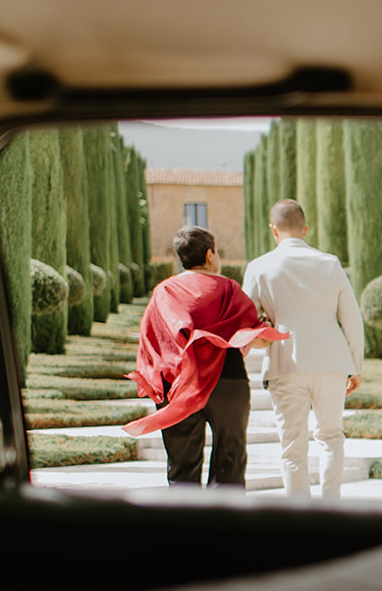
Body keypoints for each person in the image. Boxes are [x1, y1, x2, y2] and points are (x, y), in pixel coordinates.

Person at [125, 225, 283, 485]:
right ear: (210, 255)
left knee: (181, 467)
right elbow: (260, 338)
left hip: (178, 385)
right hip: (228, 381)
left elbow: (151, 343)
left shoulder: (163, 292)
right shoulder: (229, 289)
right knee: (229, 463)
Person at [243, 198, 364, 499]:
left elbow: (246, 324)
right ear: (305, 229)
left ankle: (300, 517)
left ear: (274, 230)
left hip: (286, 362)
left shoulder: (258, 267)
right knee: (332, 437)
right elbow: (351, 317)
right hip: (332, 361)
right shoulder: (330, 263)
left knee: (292, 447)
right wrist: (355, 366)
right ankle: (331, 509)